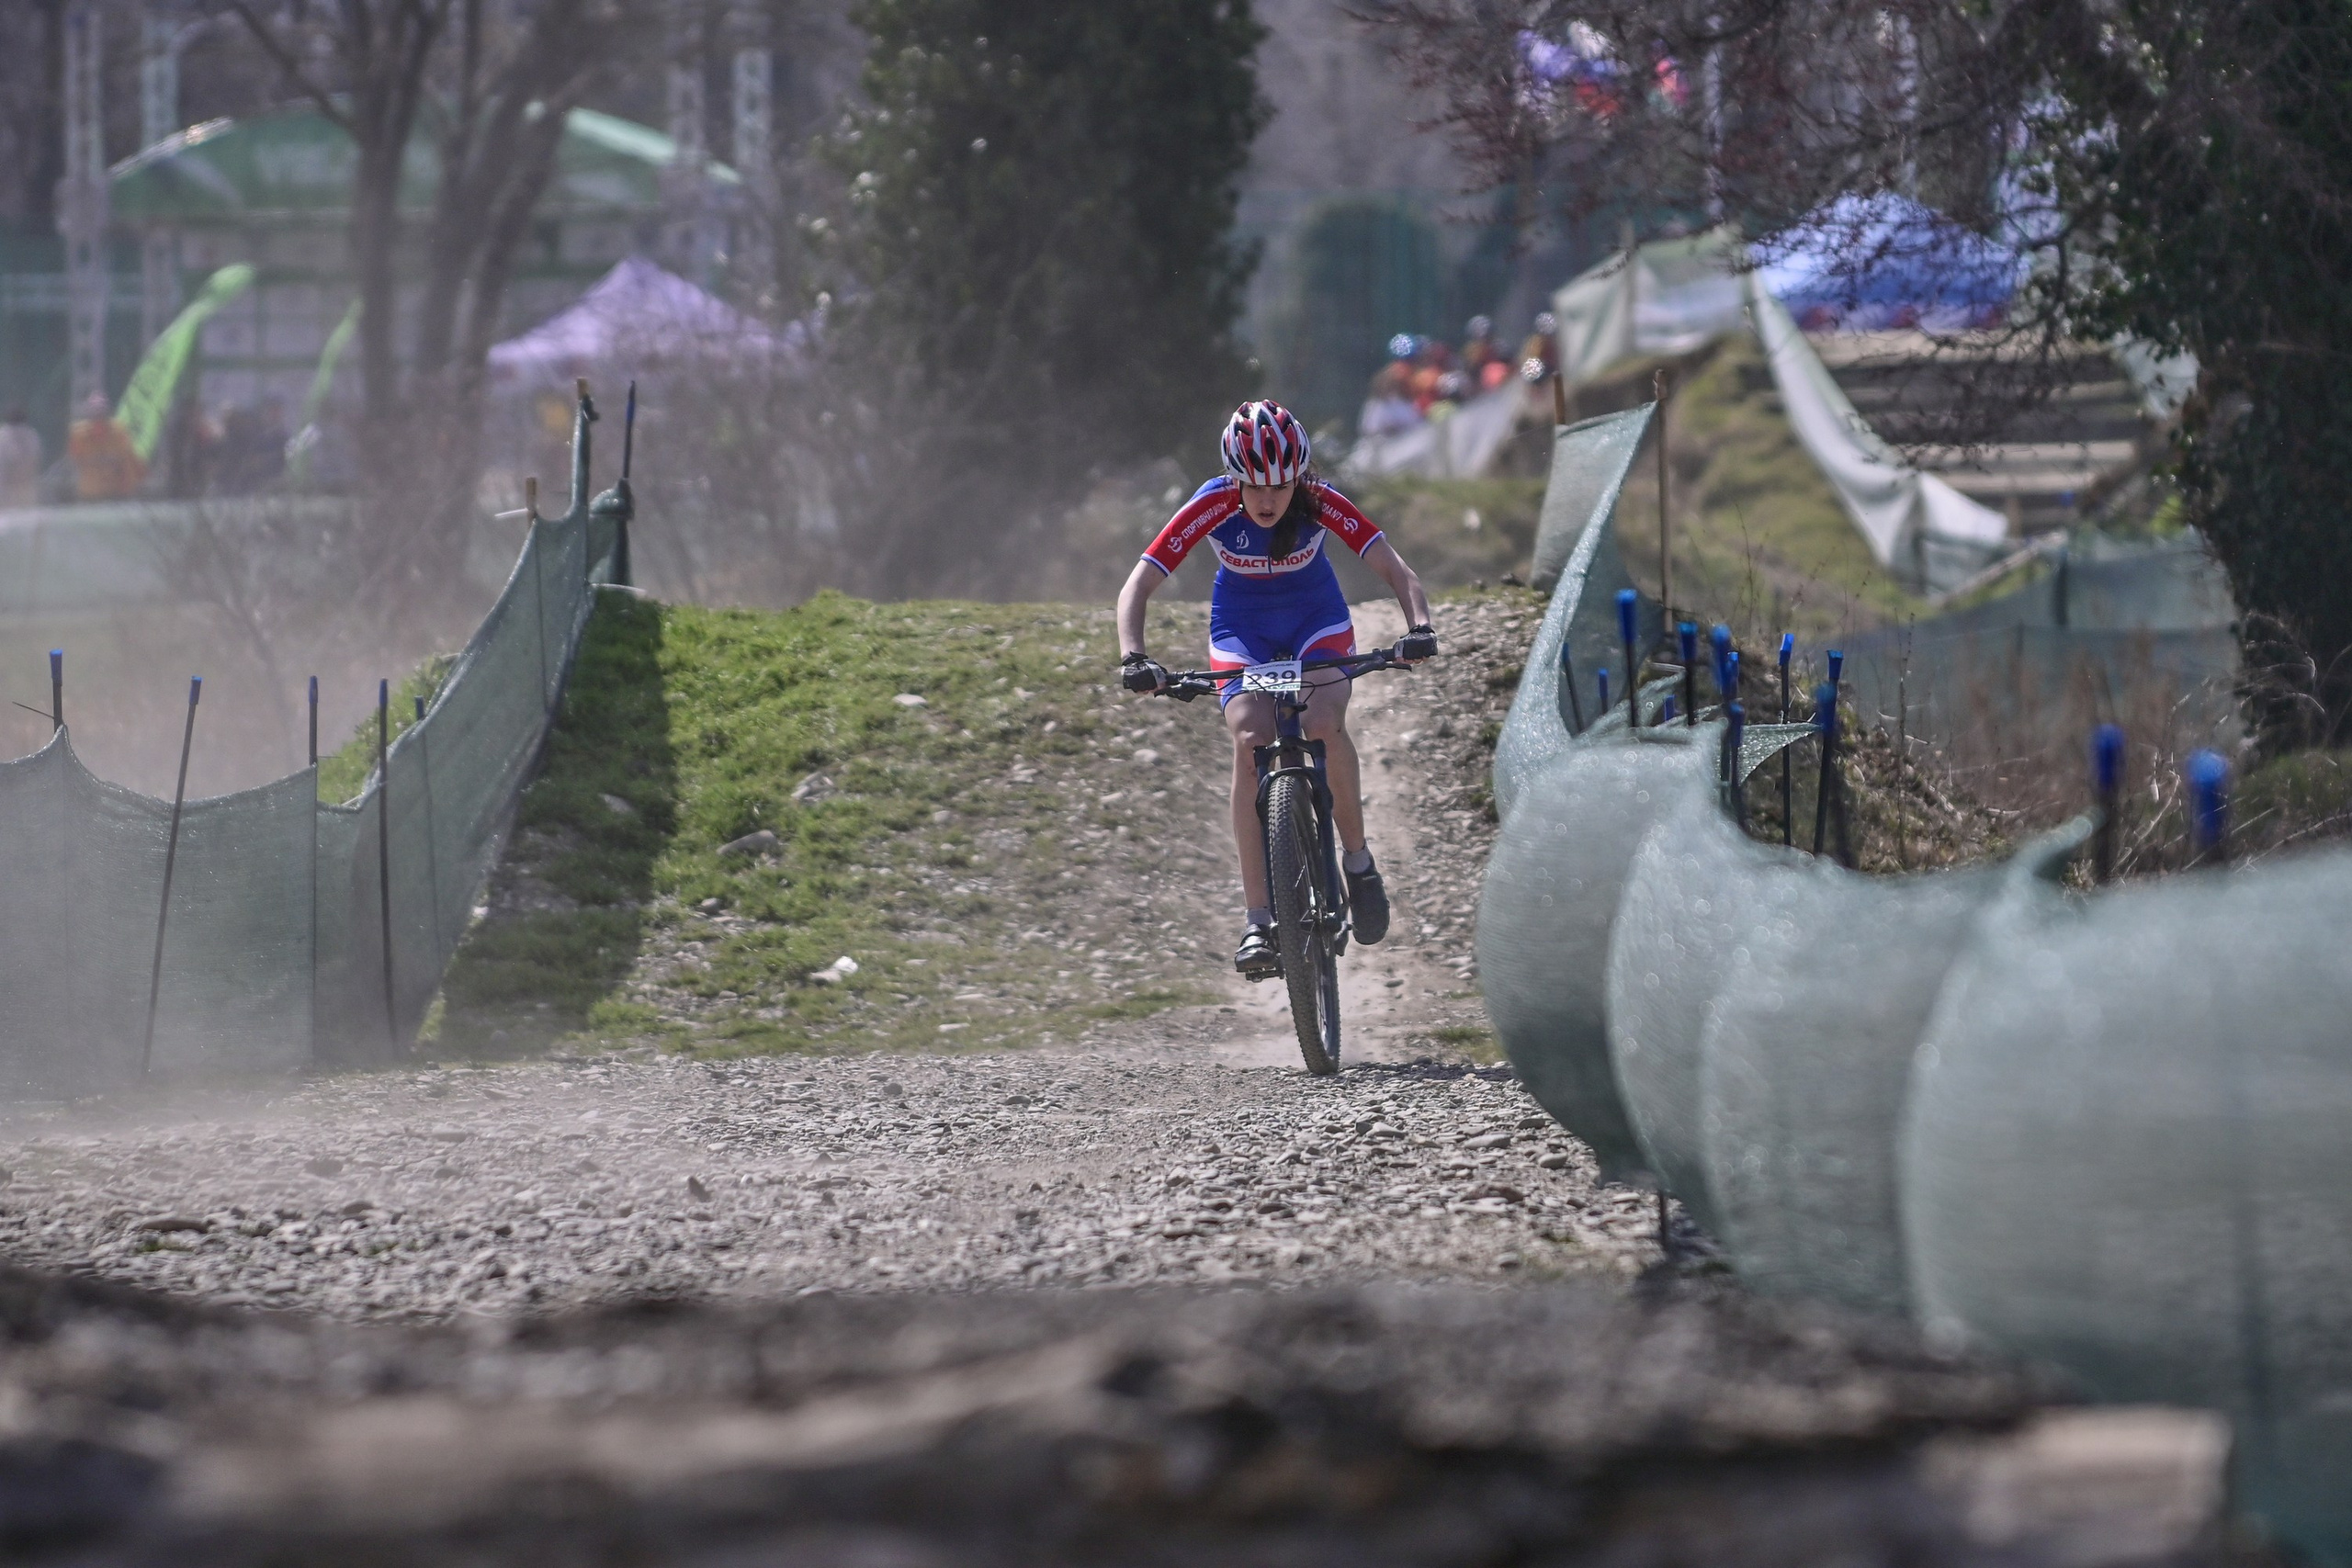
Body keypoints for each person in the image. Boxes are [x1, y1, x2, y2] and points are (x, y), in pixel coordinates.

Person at [1115, 400, 1438, 977]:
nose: (1268, 499)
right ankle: (1259, 919)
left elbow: (1397, 570)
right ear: (1234, 478)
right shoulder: (1212, 503)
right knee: (1249, 739)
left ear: (1299, 479)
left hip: (1316, 619)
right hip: (1242, 628)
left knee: (1323, 722)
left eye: (1281, 486)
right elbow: (1137, 586)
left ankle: (1358, 864)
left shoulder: (1320, 499)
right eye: (1255, 486)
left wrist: (1419, 627)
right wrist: (1133, 656)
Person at [67, 393, 146, 502]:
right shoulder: (79, 434)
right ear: (89, 416)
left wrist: (131, 485)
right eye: (95, 415)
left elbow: (129, 459)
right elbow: (74, 459)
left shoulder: (119, 431)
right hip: (89, 494)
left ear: (107, 415)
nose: (98, 419)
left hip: (116, 492)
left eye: (101, 415)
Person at [0, 404, 41, 509]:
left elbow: (34, 459)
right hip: (10, 484)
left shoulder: (30, 434)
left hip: (23, 484)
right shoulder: (30, 434)